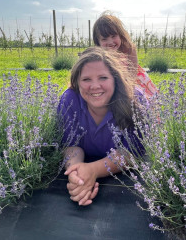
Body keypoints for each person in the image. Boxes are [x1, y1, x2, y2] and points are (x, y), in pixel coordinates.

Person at [58, 47, 143, 206]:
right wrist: (77, 173)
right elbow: (71, 145)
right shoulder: (70, 100)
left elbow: (130, 153)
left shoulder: (135, 100)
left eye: (103, 77)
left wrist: (93, 170)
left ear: (115, 79)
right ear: (77, 82)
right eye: (86, 79)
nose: (95, 86)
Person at [93, 11, 158, 98]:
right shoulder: (99, 56)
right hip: (111, 86)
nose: (110, 42)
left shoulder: (129, 49)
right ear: (98, 42)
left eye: (113, 36)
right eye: (104, 39)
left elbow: (132, 74)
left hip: (132, 84)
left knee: (144, 102)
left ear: (120, 35)